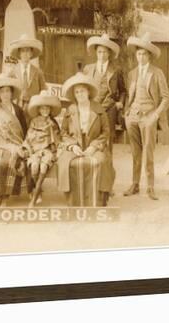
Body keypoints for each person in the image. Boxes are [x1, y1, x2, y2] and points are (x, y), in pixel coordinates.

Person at [123, 32, 169, 201]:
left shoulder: (157, 73)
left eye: (144, 53)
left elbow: (167, 98)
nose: (141, 57)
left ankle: (150, 187)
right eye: (138, 53)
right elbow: (129, 96)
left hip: (149, 117)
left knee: (148, 153)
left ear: (149, 55)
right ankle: (135, 184)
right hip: (133, 117)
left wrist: (155, 115)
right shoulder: (132, 73)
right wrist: (127, 114)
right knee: (135, 153)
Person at [57, 73, 116, 207]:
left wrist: (94, 147)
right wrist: (72, 146)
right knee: (67, 163)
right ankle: (74, 200)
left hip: (94, 144)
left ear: (88, 92)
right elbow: (64, 132)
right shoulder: (70, 110)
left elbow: (106, 131)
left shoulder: (99, 109)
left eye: (82, 91)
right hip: (76, 144)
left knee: (101, 161)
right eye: (77, 92)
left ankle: (99, 199)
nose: (80, 94)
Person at [0, 72, 30, 207]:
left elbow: (24, 130)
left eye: (8, 91)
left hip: (16, 144)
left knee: (10, 161)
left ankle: (6, 195)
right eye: (2, 91)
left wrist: (22, 146)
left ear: (11, 93)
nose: (5, 94)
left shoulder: (18, 110)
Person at [83, 33, 126, 153]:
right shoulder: (88, 69)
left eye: (105, 52)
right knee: (91, 138)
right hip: (93, 109)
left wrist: (120, 103)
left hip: (109, 109)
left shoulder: (116, 70)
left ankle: (108, 168)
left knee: (107, 140)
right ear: (96, 52)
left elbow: (123, 91)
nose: (102, 55)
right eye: (100, 52)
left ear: (109, 53)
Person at [23, 90, 61, 207]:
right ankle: (38, 192)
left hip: (48, 150)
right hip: (35, 150)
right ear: (39, 109)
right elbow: (29, 137)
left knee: (43, 166)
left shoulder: (52, 122)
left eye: (47, 109)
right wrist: (30, 149)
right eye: (42, 108)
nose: (45, 111)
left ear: (50, 110)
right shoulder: (34, 122)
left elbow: (57, 138)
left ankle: (34, 199)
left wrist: (56, 149)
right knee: (34, 167)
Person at [10, 33, 47, 114]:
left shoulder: (38, 72)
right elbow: (10, 90)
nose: (25, 54)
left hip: (33, 106)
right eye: (22, 51)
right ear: (19, 54)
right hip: (18, 105)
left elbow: (43, 90)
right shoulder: (13, 72)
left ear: (31, 53)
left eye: (27, 51)